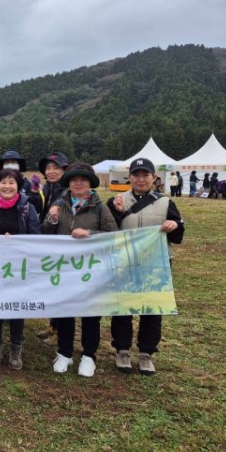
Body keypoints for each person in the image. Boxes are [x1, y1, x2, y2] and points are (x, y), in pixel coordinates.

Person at [106, 157, 185, 375]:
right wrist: (117, 212)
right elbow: (108, 231)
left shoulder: (166, 203)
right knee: (123, 308)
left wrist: (174, 225)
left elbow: (177, 236)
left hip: (156, 265)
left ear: (154, 178)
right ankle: (122, 350)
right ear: (129, 178)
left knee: (152, 309)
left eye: (145, 175)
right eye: (136, 175)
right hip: (125, 263)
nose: (141, 179)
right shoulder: (117, 200)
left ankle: (146, 353)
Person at [43, 163, 118, 377]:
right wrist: (52, 219)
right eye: (74, 180)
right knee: (65, 310)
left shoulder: (100, 207)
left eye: (83, 180)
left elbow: (113, 235)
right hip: (65, 268)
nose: (78, 183)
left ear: (90, 183)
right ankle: (64, 352)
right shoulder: (60, 203)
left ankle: (88, 355)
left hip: (91, 269)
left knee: (90, 313)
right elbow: (45, 232)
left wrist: (90, 234)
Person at [0, 169, 42, 370]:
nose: (7, 186)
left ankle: (16, 346)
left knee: (17, 305)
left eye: (11, 182)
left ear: (18, 186)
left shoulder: (27, 208)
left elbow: (36, 235)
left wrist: (16, 241)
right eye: (3, 182)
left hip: (19, 266)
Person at [31, 152, 69, 345]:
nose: (51, 171)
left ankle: (62, 332)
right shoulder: (45, 188)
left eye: (56, 168)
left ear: (65, 170)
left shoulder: (68, 191)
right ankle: (54, 326)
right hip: (47, 241)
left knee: (63, 289)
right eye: (48, 168)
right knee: (53, 286)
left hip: (63, 244)